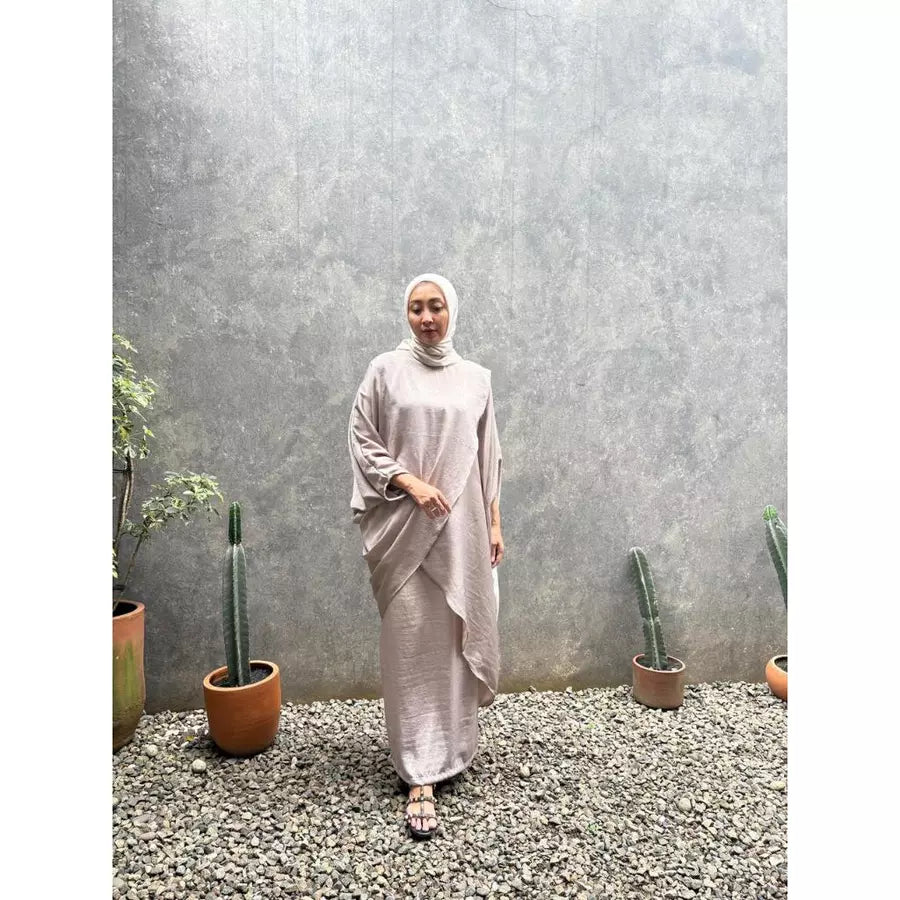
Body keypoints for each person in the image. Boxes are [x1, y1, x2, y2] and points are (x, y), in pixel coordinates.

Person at [348, 273, 504, 840]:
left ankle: (456, 747)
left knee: (455, 637)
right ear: (406, 313)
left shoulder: (477, 379)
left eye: (436, 306)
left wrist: (494, 522)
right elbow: (362, 438)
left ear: (452, 310)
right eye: (416, 308)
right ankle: (417, 770)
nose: (427, 317)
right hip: (405, 528)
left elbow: (488, 457)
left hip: (461, 531)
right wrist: (408, 481)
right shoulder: (384, 371)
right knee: (411, 643)